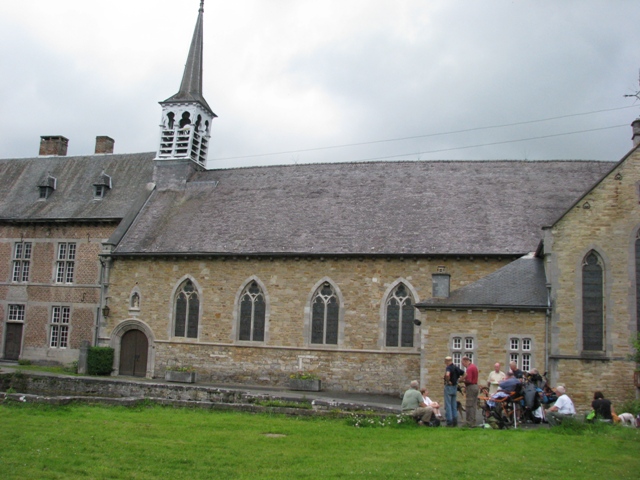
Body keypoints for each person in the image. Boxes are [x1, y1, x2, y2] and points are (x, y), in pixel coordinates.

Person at [443, 356, 464, 427]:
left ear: (447, 361)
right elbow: (465, 374)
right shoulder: (456, 367)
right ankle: (455, 421)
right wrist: (459, 380)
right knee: (454, 405)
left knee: (448, 405)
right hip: (455, 387)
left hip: (449, 387)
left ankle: (449, 421)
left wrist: (448, 381)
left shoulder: (448, 367)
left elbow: (447, 374)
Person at [461, 356, 479, 427]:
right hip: (475, 386)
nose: (463, 365)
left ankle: (469, 422)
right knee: (473, 405)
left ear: (466, 361)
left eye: (463, 363)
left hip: (471, 387)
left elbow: (469, 380)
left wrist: (461, 380)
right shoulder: (474, 367)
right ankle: (473, 421)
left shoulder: (469, 368)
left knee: (469, 405)